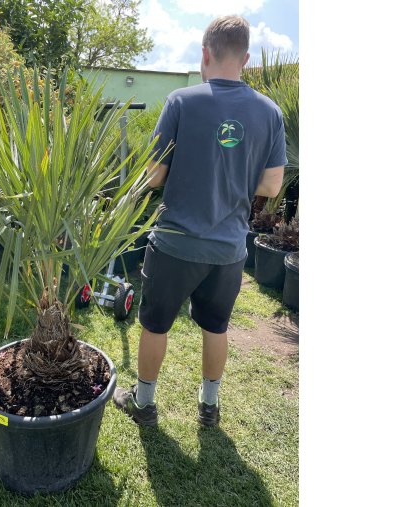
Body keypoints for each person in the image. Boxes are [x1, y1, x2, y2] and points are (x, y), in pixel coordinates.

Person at [112, 15, 287, 427]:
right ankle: (209, 407)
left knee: (155, 326)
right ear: (245, 57)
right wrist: (233, 180)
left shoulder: (180, 101)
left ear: (205, 53)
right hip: (229, 249)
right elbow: (272, 185)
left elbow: (154, 175)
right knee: (215, 326)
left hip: (175, 242)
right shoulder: (270, 113)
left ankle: (145, 403)